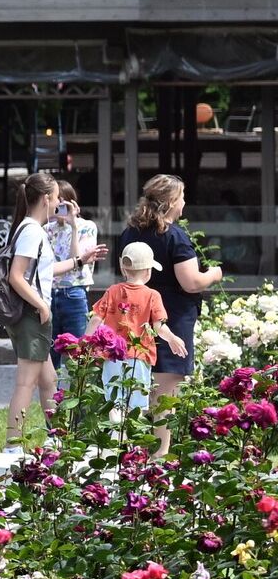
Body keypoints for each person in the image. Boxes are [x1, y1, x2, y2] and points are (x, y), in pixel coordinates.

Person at [115, 175, 223, 424]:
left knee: (138, 386)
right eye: (182, 196)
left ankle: (137, 451)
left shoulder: (130, 233)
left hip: (136, 315)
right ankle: (160, 456)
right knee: (165, 392)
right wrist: (214, 275)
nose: (184, 202)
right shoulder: (174, 236)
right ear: (172, 201)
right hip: (170, 316)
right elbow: (191, 282)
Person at [2, 173, 86, 449]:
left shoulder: (30, 229)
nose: (59, 203)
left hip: (33, 314)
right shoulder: (32, 230)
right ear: (47, 198)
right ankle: (13, 445)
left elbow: (44, 271)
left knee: (48, 380)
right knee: (26, 382)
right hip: (31, 314)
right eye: (57, 198)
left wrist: (78, 261)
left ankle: (58, 438)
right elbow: (16, 276)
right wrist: (41, 305)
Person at [90, 243, 187, 434]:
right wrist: (173, 338)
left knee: (114, 400)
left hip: (113, 356)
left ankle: (115, 437)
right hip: (139, 358)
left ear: (123, 268)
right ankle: (133, 443)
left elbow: (95, 319)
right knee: (137, 404)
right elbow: (159, 327)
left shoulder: (112, 291)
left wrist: (85, 341)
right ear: (148, 271)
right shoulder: (152, 295)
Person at [45, 181, 104, 369]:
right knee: (50, 355)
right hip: (49, 293)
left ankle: (76, 397)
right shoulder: (46, 229)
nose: (60, 208)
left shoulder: (86, 226)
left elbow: (77, 263)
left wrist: (73, 226)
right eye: (57, 203)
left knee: (79, 354)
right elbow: (46, 266)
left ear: (73, 204)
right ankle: (51, 397)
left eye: (64, 204)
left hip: (74, 292)